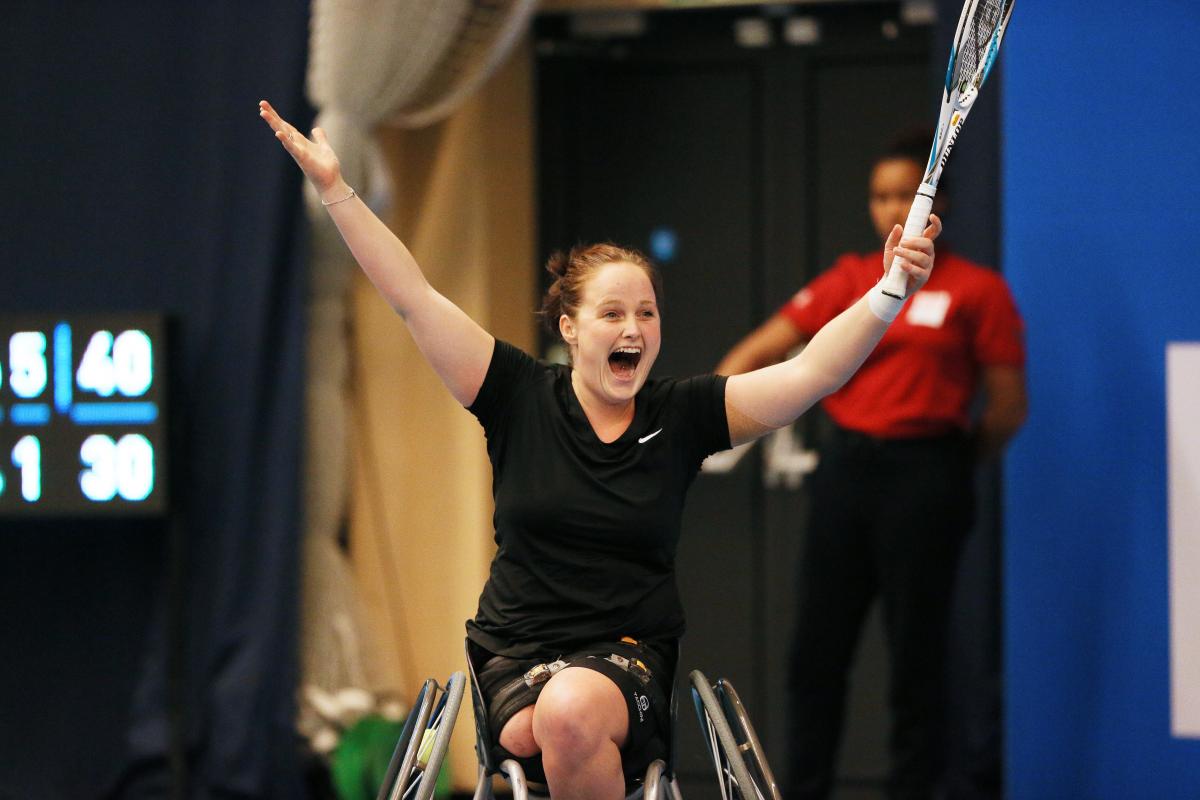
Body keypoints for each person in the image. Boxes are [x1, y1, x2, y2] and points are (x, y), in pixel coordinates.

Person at [258, 100, 940, 800]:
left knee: (569, 713)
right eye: (612, 313)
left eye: (646, 313)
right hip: (512, 655)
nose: (634, 328)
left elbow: (810, 373)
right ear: (570, 328)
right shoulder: (515, 395)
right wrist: (336, 190)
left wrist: (890, 294)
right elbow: (412, 297)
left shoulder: (682, 414)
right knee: (542, 725)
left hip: (628, 660)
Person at [715, 132, 1027, 800]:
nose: (890, 207)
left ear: (935, 202)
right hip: (847, 478)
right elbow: (748, 359)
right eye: (879, 195)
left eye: (904, 194)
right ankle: (804, 789)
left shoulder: (978, 291)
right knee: (815, 652)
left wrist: (950, 466)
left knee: (918, 655)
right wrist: (720, 419)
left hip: (929, 477)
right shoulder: (851, 279)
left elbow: (1006, 408)